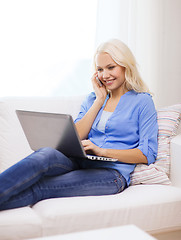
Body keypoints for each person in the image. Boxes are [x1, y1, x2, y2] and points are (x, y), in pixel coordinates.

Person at [0, 39, 158, 210]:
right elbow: (76, 136)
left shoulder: (142, 101)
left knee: (40, 187)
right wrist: (99, 101)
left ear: (126, 66)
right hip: (79, 160)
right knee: (43, 154)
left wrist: (102, 151)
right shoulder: (92, 98)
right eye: (100, 69)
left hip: (111, 174)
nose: (105, 75)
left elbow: (147, 154)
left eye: (111, 67)